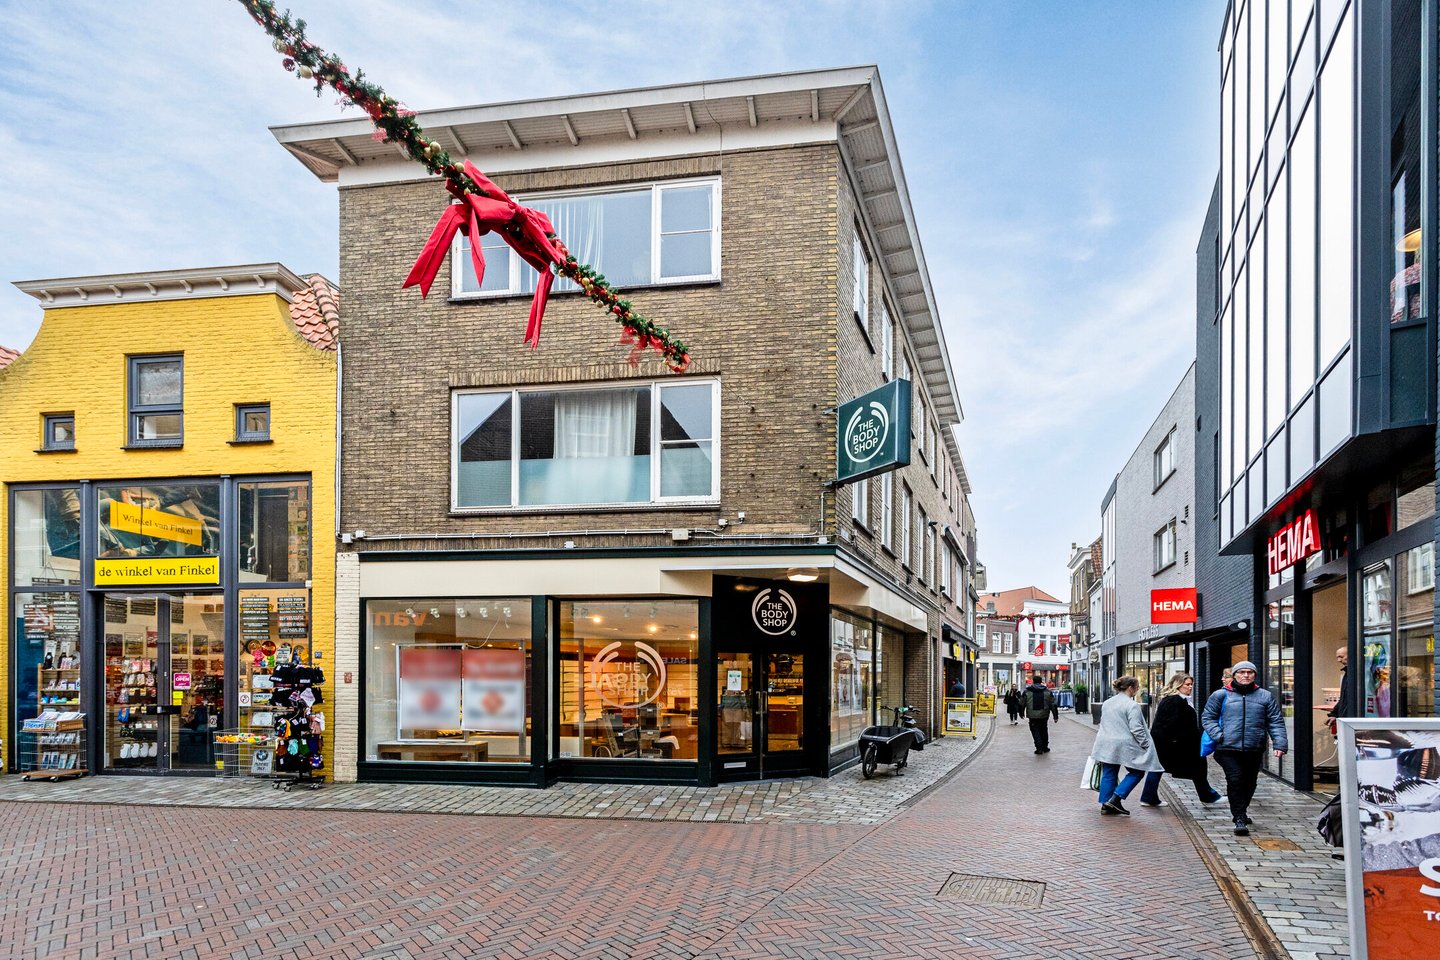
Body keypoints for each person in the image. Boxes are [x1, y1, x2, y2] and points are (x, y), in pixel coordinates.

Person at [1201, 660, 1288, 836]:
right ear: (1234, 675)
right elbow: (1208, 717)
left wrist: (1280, 744)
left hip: (1253, 748)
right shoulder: (1220, 695)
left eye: (1250, 672)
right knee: (1235, 780)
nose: (1246, 675)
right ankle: (1239, 817)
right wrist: (1219, 735)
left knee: (1249, 782)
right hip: (1227, 749)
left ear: (1255, 675)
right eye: (1242, 672)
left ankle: (1242, 809)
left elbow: (1275, 721)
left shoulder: (1265, 696)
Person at [1141, 673, 1223, 806]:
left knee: (1158, 768)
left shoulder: (1179, 699)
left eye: (1191, 684)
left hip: (1174, 743)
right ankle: (1208, 796)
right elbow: (1170, 724)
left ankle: (1148, 797)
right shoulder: (1175, 700)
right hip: (1175, 744)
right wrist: (1176, 742)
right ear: (1178, 685)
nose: (1190, 687)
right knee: (1196, 767)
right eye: (1187, 684)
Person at [1091, 676, 1164, 815]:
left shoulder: (1107, 703)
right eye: (1136, 687)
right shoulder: (1131, 705)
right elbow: (1136, 729)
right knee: (1137, 771)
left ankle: (1105, 805)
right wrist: (1146, 744)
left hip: (1105, 742)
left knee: (1109, 772)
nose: (1136, 690)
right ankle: (1115, 798)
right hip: (1123, 744)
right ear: (1130, 688)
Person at [1023, 675, 1058, 754]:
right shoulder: (1048, 691)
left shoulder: (1027, 691)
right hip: (1044, 714)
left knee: (1035, 731)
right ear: (1041, 681)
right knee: (1044, 730)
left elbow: (1022, 703)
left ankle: (1039, 748)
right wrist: (1055, 716)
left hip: (1032, 715)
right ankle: (1045, 747)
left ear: (1033, 681)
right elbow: (1053, 704)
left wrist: (1021, 712)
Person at [1326, 646, 1354, 734]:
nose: (1338, 660)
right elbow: (1343, 698)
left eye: (1341, 657)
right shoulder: (1347, 674)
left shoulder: (1354, 673)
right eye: (1337, 657)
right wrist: (1335, 714)